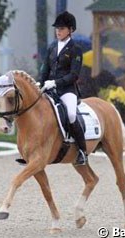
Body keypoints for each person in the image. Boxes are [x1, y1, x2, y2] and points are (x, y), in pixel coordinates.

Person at [39, 11, 87, 165]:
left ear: (70, 30)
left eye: (62, 28)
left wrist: (55, 83)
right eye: (57, 28)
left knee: (72, 115)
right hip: (49, 89)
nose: (58, 31)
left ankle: (82, 151)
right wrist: (39, 85)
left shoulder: (76, 49)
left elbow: (74, 75)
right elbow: (45, 69)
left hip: (67, 90)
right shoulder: (52, 46)